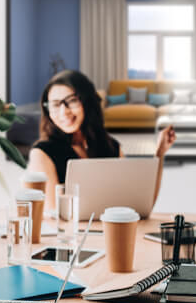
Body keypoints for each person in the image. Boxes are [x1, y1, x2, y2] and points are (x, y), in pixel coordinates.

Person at [27, 70, 176, 210]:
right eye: (55, 104)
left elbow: (141, 205)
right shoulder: (42, 153)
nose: (63, 111)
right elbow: (56, 217)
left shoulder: (110, 147)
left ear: (87, 102)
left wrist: (160, 153)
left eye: (71, 101)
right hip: (74, 237)